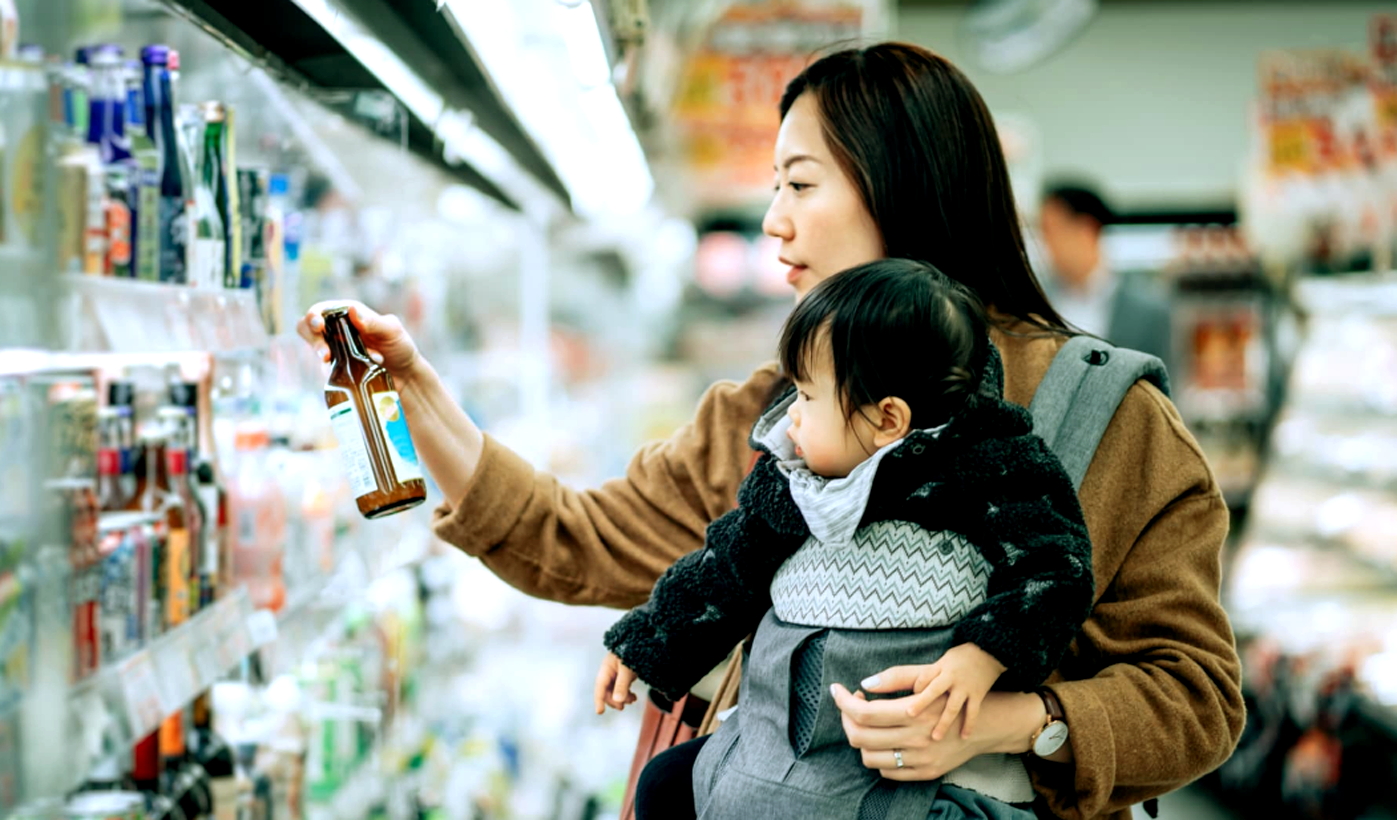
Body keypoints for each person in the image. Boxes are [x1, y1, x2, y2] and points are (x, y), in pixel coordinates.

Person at [299, 42, 1244, 820]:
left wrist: (1007, 721)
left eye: (800, 185)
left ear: (900, 187)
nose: (772, 223)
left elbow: (1195, 696)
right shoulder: (774, 414)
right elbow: (573, 536)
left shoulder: (1111, 418)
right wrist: (407, 391)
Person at [593, 259, 1094, 819]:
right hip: (782, 750)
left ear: (887, 419)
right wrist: (648, 641)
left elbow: (1058, 568)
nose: (791, 421)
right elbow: (726, 569)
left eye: (806, 397)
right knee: (665, 782)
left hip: (925, 776)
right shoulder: (790, 485)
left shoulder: (993, 469)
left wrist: (983, 656)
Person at [1036, 183, 1174, 368]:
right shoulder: (1035, 304)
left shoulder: (1148, 312)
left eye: (1050, 230)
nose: (1044, 243)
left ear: (1086, 229)